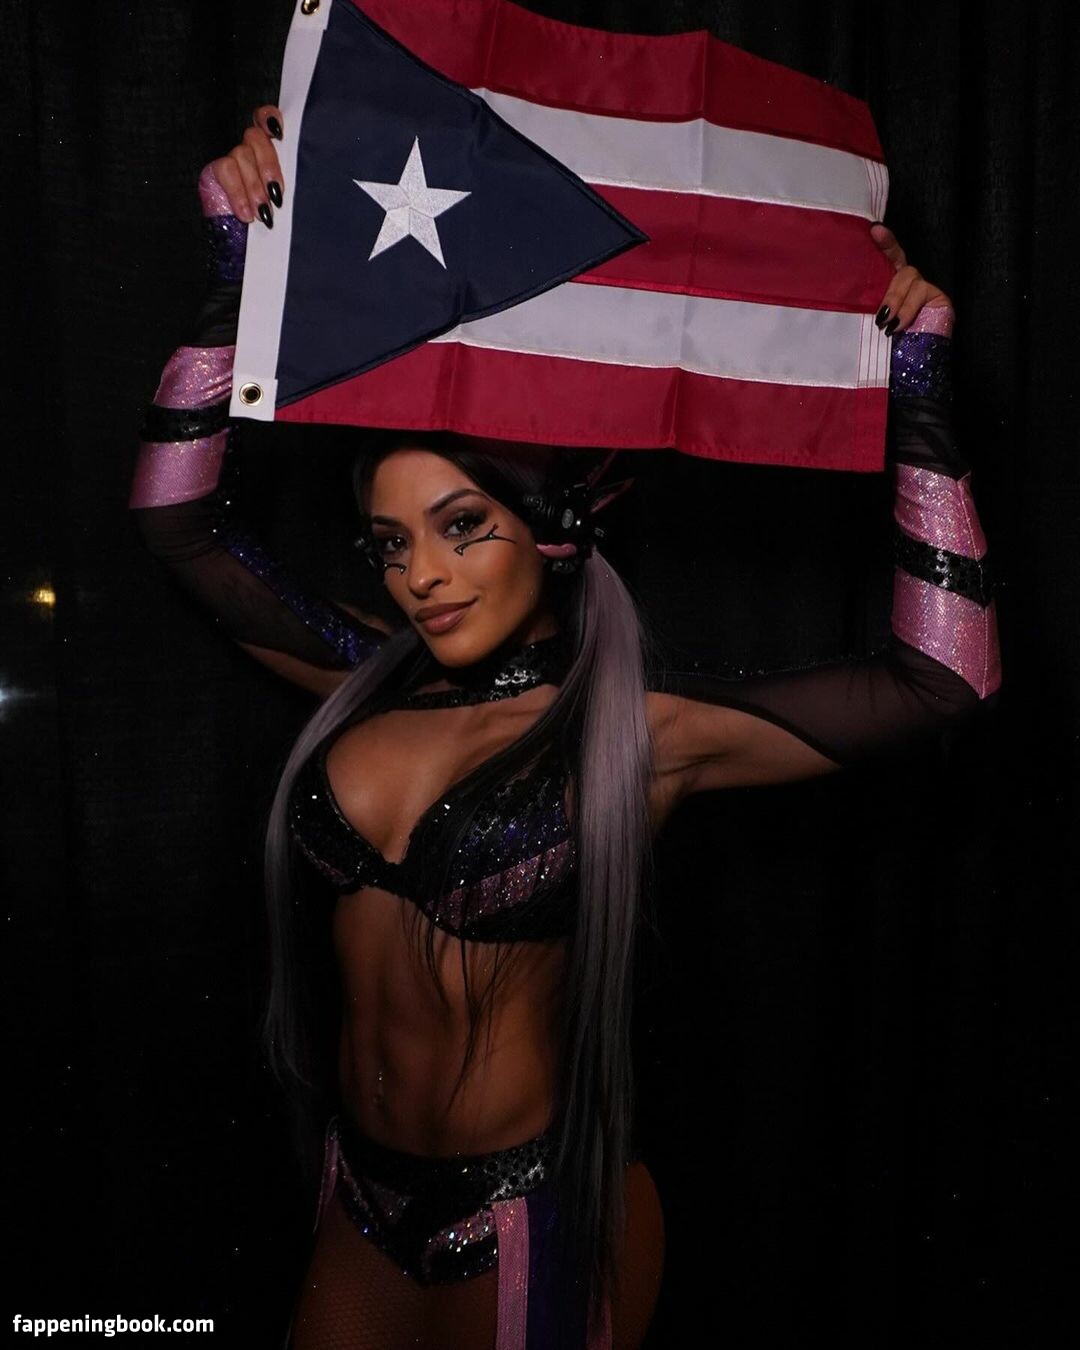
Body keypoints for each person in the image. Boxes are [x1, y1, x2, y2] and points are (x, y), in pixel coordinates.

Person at [128, 106, 1001, 1350]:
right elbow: (179, 526)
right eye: (390, 544)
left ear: (551, 535)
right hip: (361, 1194)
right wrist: (233, 282)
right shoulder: (363, 678)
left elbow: (943, 677)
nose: (420, 576)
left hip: (532, 1208)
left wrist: (919, 405)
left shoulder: (636, 731)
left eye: (462, 527)